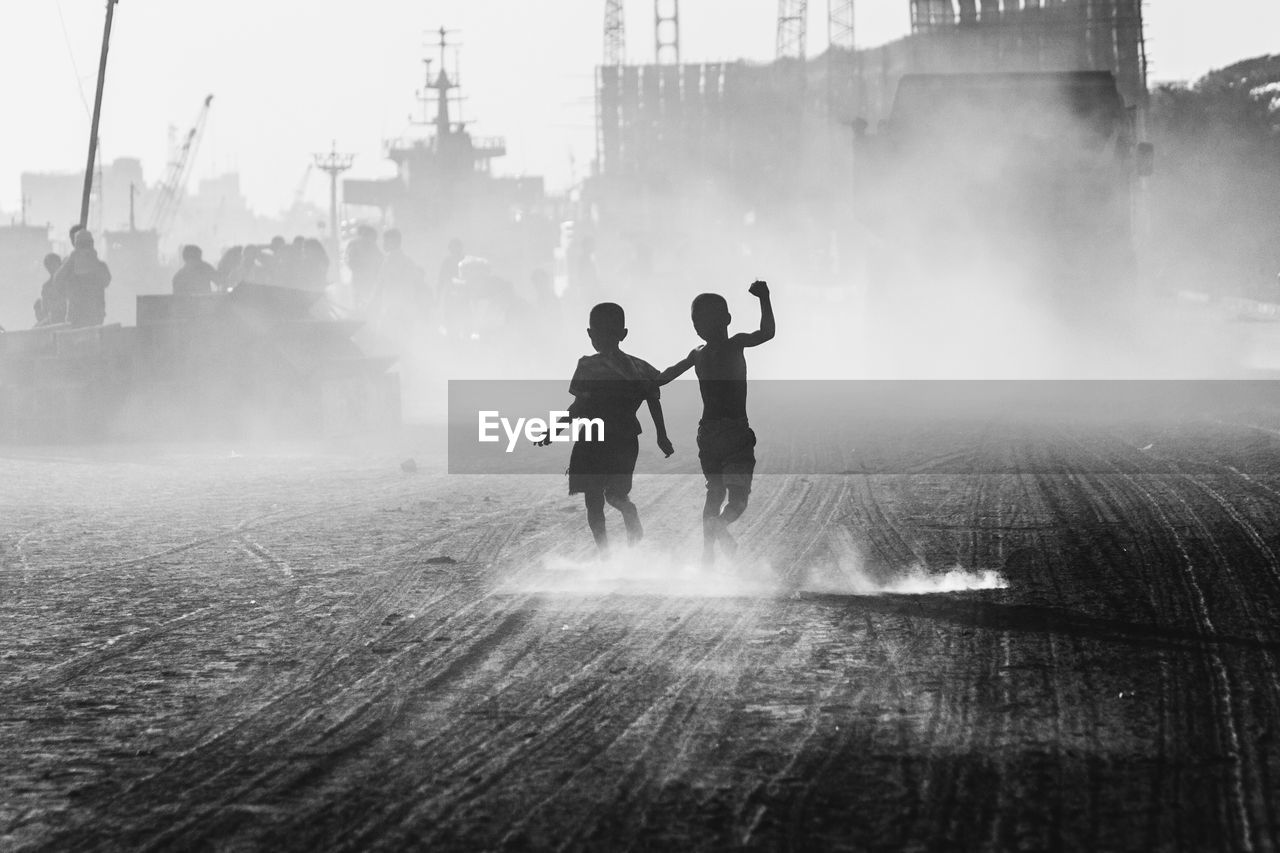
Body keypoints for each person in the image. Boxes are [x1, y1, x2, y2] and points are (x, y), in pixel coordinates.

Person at [658, 281, 775, 566]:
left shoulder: (697, 353)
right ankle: (720, 527)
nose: (698, 326)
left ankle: (707, 556)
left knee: (714, 492)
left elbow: (664, 376)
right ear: (727, 319)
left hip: (708, 433)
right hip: (734, 431)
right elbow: (767, 333)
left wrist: (635, 381)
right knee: (737, 500)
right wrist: (764, 298)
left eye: (698, 320)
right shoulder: (736, 344)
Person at [542, 302, 674, 556]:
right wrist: (661, 435)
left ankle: (605, 555)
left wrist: (555, 430)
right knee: (616, 494)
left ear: (590, 334)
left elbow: (579, 404)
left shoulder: (587, 366)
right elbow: (653, 399)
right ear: (623, 334)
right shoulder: (638, 366)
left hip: (592, 439)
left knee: (593, 500)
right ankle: (628, 518)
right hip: (624, 438)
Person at [57, 229, 112, 328]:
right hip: (75, 317)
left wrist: (94, 261)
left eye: (87, 243)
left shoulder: (99, 265)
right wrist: (71, 260)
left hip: (94, 317)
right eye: (81, 244)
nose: (84, 247)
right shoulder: (69, 265)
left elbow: (106, 281)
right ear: (76, 245)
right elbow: (57, 281)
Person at [374, 228, 427, 319]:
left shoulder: (390, 262)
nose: (383, 244)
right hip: (405, 308)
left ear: (393, 242)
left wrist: (372, 303)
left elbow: (380, 284)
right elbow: (418, 283)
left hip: (394, 309)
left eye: (385, 241)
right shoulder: (407, 261)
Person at [346, 225, 382, 309]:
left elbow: (350, 262)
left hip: (362, 279)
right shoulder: (357, 244)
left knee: (359, 302)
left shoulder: (354, 244)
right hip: (365, 280)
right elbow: (380, 260)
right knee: (365, 302)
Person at [34, 253, 65, 326]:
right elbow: (45, 309)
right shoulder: (46, 287)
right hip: (53, 319)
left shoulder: (68, 282)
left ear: (59, 264)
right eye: (49, 266)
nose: (51, 268)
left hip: (65, 319)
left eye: (53, 264)